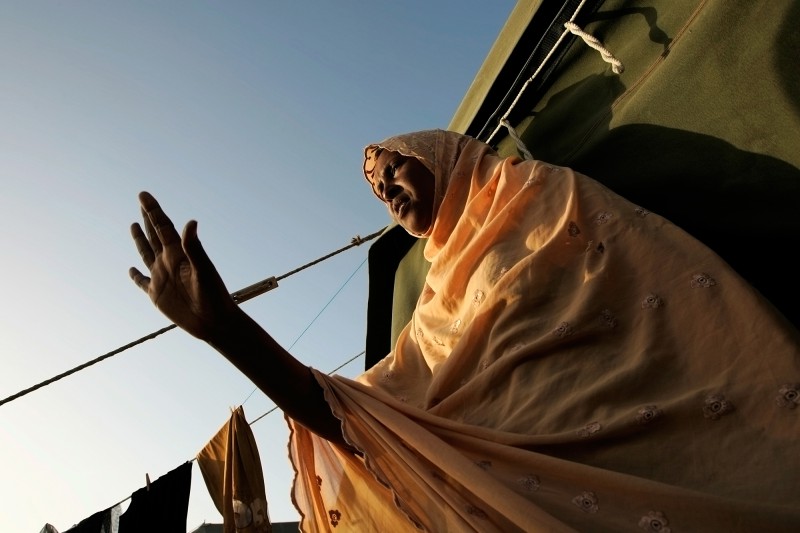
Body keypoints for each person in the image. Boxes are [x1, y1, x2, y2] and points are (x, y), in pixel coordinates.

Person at [131, 129, 800, 532]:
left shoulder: (534, 194)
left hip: (669, 436)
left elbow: (645, 282)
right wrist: (226, 331)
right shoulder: (431, 306)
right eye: (376, 189)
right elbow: (372, 423)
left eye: (393, 167)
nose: (387, 189)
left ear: (440, 154)